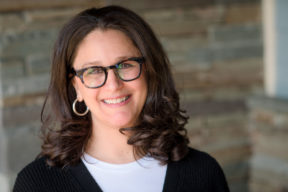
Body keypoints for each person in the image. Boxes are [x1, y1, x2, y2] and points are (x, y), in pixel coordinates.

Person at [13, 5, 229, 192]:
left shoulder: (202, 174)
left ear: (150, 71)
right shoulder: (37, 184)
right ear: (76, 85)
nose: (113, 85)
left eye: (125, 65)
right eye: (94, 70)